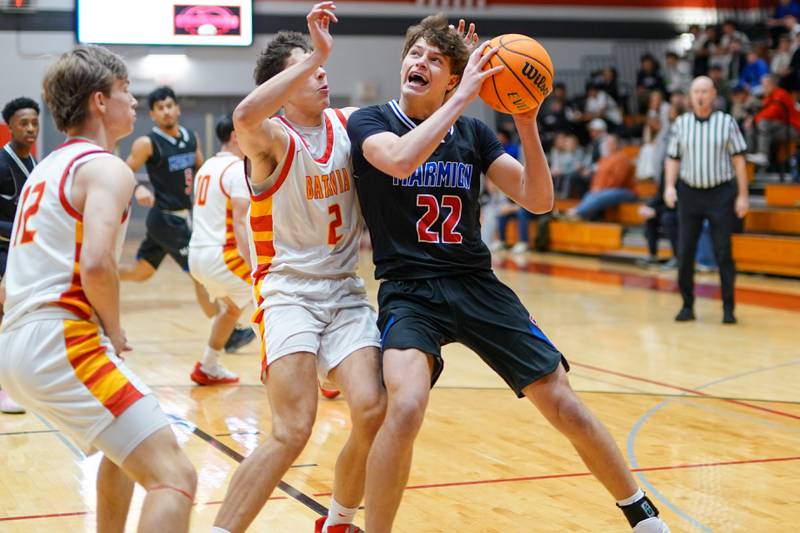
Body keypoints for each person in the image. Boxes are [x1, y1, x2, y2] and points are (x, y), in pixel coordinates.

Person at [348, 14, 670, 533]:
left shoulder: (473, 133)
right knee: (404, 407)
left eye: (436, 58)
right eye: (416, 54)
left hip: (476, 284)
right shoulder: (370, 121)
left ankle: (641, 513)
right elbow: (402, 161)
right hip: (409, 292)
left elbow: (539, 200)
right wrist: (461, 93)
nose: (420, 63)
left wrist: (524, 118)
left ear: (452, 76)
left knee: (562, 400)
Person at [0, 45, 196, 531]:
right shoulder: (107, 167)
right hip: (61, 341)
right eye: (126, 91)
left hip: (19, 340)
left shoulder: (44, 169)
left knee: (127, 449)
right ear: (99, 102)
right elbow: (99, 264)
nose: (135, 102)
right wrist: (115, 330)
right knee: (176, 475)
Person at [212, 4, 385, 532]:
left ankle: (337, 519)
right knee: (292, 429)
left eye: (322, 67)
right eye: (308, 69)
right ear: (282, 85)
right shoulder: (271, 139)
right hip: (288, 292)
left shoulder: (349, 126)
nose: (322, 73)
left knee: (373, 409)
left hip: (344, 292)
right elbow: (244, 116)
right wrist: (317, 53)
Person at [120, 87, 254, 353]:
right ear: (153, 114)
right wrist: (138, 189)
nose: (166, 111)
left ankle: (93, 271)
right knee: (198, 276)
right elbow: (123, 171)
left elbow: (203, 170)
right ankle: (228, 336)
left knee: (140, 273)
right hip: (166, 219)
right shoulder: (147, 143)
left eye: (170, 105)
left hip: (182, 216)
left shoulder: (190, 138)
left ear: (177, 108)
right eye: (160, 108)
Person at [664, 76, 749, 324]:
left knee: (724, 252)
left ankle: (728, 308)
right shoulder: (681, 123)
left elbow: (739, 160)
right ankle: (687, 305)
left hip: (720, 194)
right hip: (690, 193)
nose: (700, 95)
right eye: (696, 91)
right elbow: (673, 158)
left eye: (704, 90)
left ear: (713, 94)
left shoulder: (726, 122)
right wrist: (669, 186)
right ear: (691, 96)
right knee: (685, 251)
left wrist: (743, 195)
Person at [186, 114, 250, 386]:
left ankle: (208, 365)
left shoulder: (207, 167)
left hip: (197, 256)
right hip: (223, 256)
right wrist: (256, 266)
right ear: (236, 137)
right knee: (274, 298)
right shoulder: (236, 169)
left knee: (233, 308)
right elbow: (239, 221)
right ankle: (321, 377)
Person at [0, 96, 40, 414]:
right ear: (10, 126)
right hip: (2, 249)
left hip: (21, 253)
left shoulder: (35, 164)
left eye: (34, 122)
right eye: (23, 123)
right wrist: (20, 229)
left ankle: (18, 379)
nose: (30, 128)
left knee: (23, 315)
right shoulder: (2, 164)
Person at [565, 134, 636, 221]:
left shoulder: (622, 158)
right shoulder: (603, 159)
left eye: (610, 143)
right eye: (607, 143)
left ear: (616, 144)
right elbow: (597, 177)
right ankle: (580, 214)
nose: (608, 145)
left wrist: (601, 188)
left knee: (600, 195)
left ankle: (577, 212)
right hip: (605, 190)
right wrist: (595, 187)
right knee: (590, 194)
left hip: (625, 191)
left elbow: (617, 180)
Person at [745, 73, 800, 167]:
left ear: (772, 85)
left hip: (793, 129)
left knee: (763, 123)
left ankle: (763, 155)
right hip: (780, 128)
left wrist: (753, 119)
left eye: (765, 85)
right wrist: (752, 120)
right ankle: (751, 161)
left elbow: (772, 113)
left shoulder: (780, 94)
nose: (763, 88)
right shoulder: (769, 96)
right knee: (755, 130)